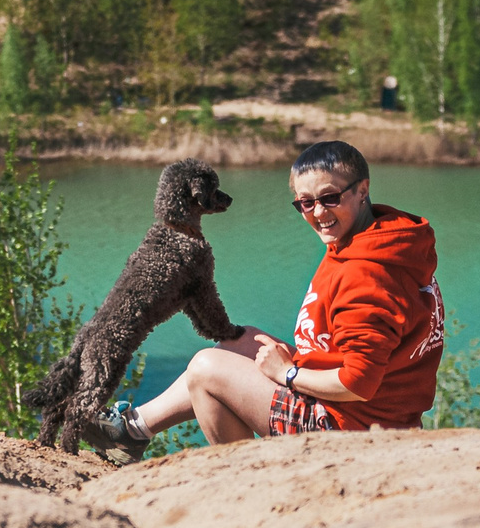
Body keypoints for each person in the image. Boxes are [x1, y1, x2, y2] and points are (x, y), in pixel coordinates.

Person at [87, 140, 445, 449]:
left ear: (362, 190)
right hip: (375, 412)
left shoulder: (365, 273)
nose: (318, 212)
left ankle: (251, 484)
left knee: (206, 371)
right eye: (305, 203)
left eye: (330, 198)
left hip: (347, 428)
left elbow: (358, 383)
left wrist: (287, 374)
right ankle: (133, 430)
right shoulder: (381, 240)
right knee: (238, 341)